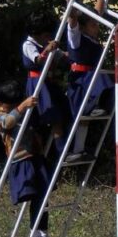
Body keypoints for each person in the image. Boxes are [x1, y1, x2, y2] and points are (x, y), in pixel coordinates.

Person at [0, 80, 62, 237]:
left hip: (35, 157)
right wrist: (22, 107)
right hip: (20, 161)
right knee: (36, 196)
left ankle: (40, 235)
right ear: (2, 103)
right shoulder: (0, 115)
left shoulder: (21, 110)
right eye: (12, 104)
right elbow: (7, 123)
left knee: (43, 196)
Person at [65, 0, 114, 160]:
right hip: (81, 81)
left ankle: (78, 150)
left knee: (84, 120)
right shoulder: (77, 38)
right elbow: (72, 22)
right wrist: (70, 3)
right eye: (93, 25)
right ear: (84, 27)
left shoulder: (92, 38)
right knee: (79, 116)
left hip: (90, 79)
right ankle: (72, 150)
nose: (97, 28)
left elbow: (97, 15)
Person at [22, 14, 69, 158]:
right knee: (53, 118)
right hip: (38, 85)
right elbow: (38, 60)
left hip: (49, 83)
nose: (48, 36)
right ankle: (61, 153)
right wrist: (48, 50)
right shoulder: (28, 45)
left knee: (62, 114)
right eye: (46, 34)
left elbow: (63, 56)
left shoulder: (45, 43)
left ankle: (61, 151)